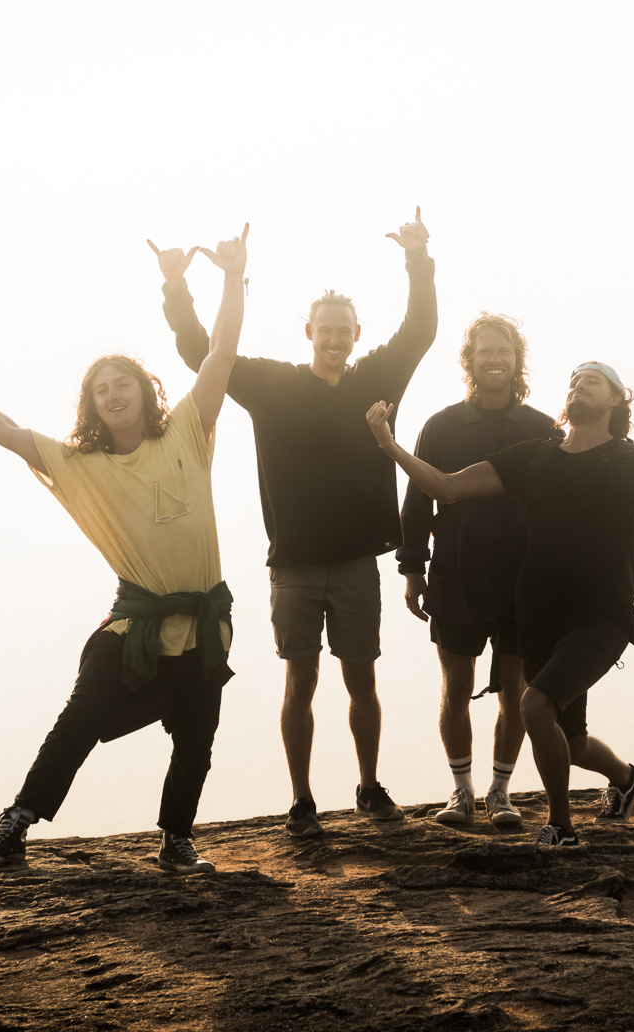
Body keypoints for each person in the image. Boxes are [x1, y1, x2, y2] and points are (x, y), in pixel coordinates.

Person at [0, 225, 250, 874]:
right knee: (81, 715)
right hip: (135, 619)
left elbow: (221, 354)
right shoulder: (79, 463)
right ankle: (15, 824)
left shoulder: (188, 435)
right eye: (100, 389)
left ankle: (175, 838)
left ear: (146, 390)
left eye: (124, 383)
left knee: (196, 740)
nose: (113, 395)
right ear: (91, 404)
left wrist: (230, 277)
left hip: (202, 619)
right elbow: (5, 430)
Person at [152, 208, 436, 838]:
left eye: (344, 331)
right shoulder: (271, 384)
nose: (334, 339)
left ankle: (367, 786)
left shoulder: (377, 378)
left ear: (357, 334)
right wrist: (178, 288)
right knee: (299, 680)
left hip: (360, 560)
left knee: (361, 679)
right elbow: (202, 353)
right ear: (309, 331)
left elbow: (420, 329)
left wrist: (418, 258)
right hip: (295, 565)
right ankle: (303, 801)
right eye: (325, 329)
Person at [365, 362, 634, 846]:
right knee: (572, 741)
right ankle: (627, 780)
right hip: (540, 619)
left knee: (534, 706)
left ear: (615, 399)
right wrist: (388, 445)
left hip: (602, 618)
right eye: (573, 380)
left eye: (591, 381)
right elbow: (448, 486)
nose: (578, 386)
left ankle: (560, 827)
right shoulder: (537, 457)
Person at [396, 314, 560, 829]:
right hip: (456, 574)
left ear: (517, 361)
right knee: (456, 687)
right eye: (485, 351)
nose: (494, 359)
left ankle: (501, 792)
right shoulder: (441, 426)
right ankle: (462, 790)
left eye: (504, 351)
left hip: (521, 581)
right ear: (469, 361)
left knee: (516, 689)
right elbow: (418, 503)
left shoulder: (541, 429)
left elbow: (561, 508)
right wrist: (412, 569)